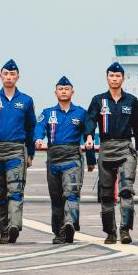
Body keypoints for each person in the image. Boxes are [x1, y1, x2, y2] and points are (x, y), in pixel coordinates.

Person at [84, 62, 138, 244]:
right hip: (106, 148)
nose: (114, 79)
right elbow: (90, 120)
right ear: (107, 78)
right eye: (111, 76)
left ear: (123, 78)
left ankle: (125, 230)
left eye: (118, 76)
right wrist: (89, 136)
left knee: (126, 191)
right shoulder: (98, 100)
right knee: (106, 194)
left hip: (126, 148)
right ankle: (110, 232)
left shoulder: (131, 101)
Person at [0, 59, 36, 244]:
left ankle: (14, 225)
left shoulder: (26, 101)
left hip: (17, 150)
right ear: (0, 76)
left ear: (17, 77)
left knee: (16, 190)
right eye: (6, 74)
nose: (9, 77)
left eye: (12, 74)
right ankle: (3, 231)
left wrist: (31, 153)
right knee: (0, 193)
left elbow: (31, 128)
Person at [35, 77, 96, 244]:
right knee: (56, 198)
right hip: (53, 158)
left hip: (72, 158)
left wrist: (91, 161)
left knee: (71, 194)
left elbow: (88, 135)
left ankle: (70, 224)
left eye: (66, 88)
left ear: (72, 92)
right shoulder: (48, 113)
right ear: (55, 92)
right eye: (60, 89)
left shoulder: (81, 113)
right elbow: (39, 127)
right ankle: (59, 232)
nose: (63, 91)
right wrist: (38, 139)